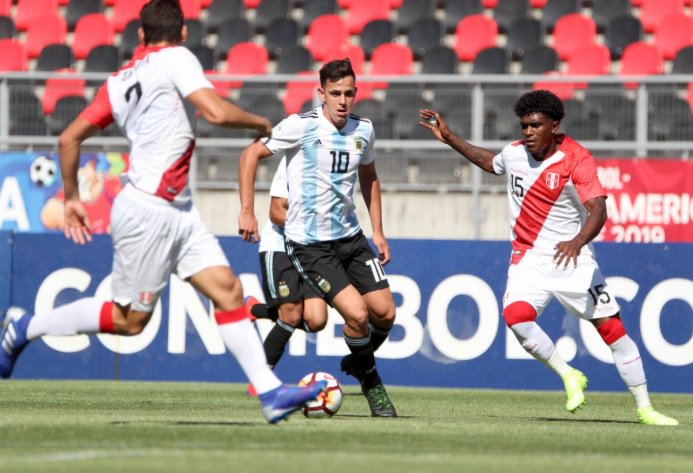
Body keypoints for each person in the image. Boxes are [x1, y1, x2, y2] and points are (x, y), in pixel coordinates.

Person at [0, 0, 325, 424]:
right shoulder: (177, 58)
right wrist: (261, 123)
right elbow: (214, 111)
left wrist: (74, 197)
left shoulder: (118, 81)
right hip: (149, 211)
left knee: (227, 291)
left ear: (139, 36)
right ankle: (26, 326)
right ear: (184, 33)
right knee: (129, 320)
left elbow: (68, 140)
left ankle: (269, 393)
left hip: (178, 212)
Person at [418, 90, 678, 426]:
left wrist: (578, 240)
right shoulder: (513, 154)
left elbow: (598, 209)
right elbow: (488, 162)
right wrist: (450, 137)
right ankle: (569, 375)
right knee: (516, 317)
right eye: (524, 125)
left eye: (535, 125)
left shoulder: (576, 159)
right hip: (529, 258)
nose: (527, 132)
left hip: (573, 258)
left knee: (612, 329)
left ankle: (645, 409)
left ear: (554, 126)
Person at [238, 59, 398, 417]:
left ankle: (358, 360)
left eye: (349, 94)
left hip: (352, 238)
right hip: (310, 246)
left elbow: (369, 177)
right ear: (321, 93)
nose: (343, 101)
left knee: (385, 314)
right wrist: (247, 209)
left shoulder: (364, 130)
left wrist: (378, 231)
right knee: (354, 314)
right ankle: (373, 385)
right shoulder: (301, 127)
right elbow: (250, 155)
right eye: (335, 93)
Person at [248, 156, 329, 383]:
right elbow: (276, 212)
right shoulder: (294, 161)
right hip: (280, 247)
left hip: (311, 251)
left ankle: (255, 310)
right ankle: (261, 381)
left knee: (316, 320)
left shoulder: (337, 166)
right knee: (291, 315)